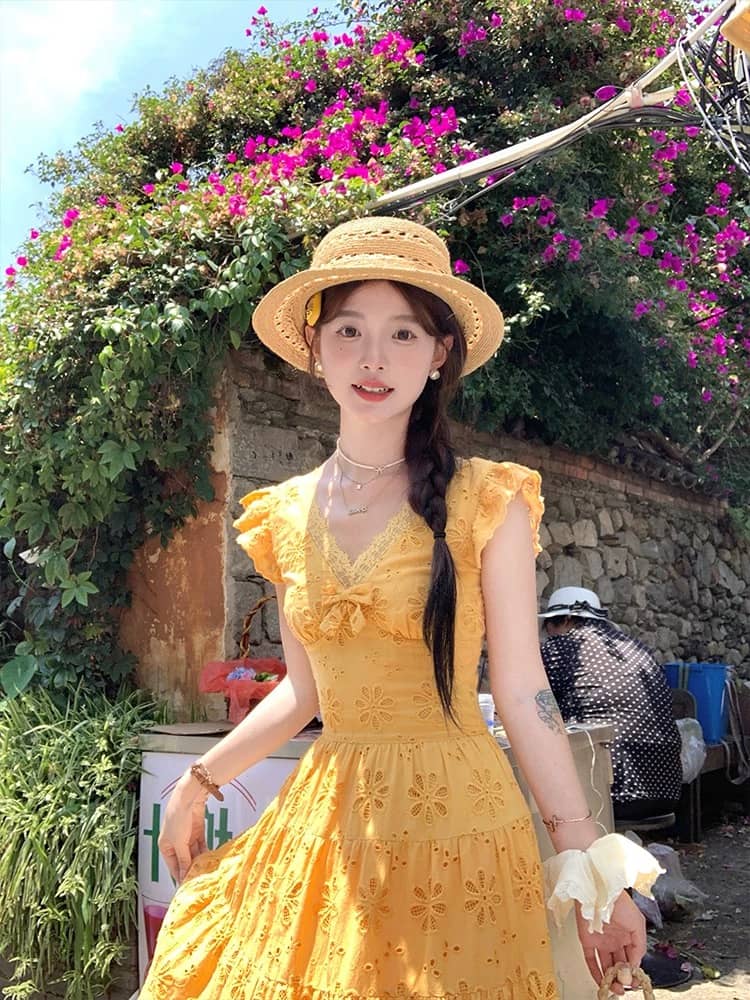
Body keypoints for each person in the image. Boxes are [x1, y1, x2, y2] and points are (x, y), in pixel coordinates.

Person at [141, 217, 658, 1000]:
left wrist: (591, 870)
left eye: (403, 334)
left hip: (462, 827)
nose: (373, 358)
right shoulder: (282, 515)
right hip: (333, 818)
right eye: (349, 330)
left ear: (439, 351)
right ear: (315, 346)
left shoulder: (488, 499)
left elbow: (524, 691)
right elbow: (303, 692)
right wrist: (199, 781)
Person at [539, 587, 682, 823]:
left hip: (609, 793)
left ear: (565, 620)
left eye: (548, 628)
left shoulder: (560, 647)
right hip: (667, 790)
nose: (549, 635)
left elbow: (534, 707)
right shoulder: (639, 649)